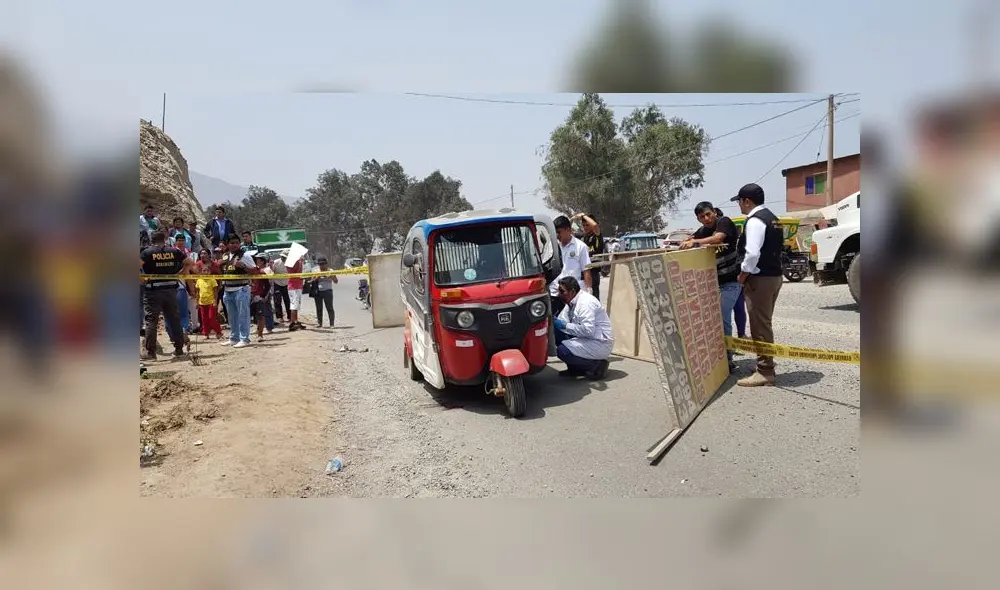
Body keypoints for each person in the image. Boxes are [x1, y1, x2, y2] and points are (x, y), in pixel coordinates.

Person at [731, 183, 784, 386]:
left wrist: (743, 275)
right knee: (765, 323)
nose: (739, 206)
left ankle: (765, 371)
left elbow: (752, 253)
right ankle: (765, 361)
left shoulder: (755, 221)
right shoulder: (773, 218)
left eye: (739, 201)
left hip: (760, 280)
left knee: (759, 326)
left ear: (747, 201)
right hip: (774, 277)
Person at [681, 203, 741, 372]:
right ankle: (718, 356)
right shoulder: (703, 231)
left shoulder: (724, 222)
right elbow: (691, 239)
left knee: (721, 319)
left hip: (730, 283)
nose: (706, 219)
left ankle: (728, 358)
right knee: (712, 320)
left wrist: (695, 241)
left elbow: (718, 239)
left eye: (708, 214)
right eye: (702, 217)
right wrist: (687, 241)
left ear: (714, 212)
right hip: (713, 284)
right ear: (698, 219)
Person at [141, 230, 195, 359]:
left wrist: (142, 279)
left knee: (151, 321)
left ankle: (151, 352)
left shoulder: (147, 252)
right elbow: (190, 262)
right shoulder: (174, 251)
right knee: (174, 319)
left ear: (151, 240)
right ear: (164, 239)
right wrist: (182, 272)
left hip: (153, 291)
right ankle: (179, 349)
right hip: (171, 289)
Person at [551, 276, 613, 379]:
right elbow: (563, 320)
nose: (559, 294)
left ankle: (596, 366)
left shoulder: (586, 303)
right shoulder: (571, 302)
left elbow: (588, 330)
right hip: (586, 338)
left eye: (562, 291)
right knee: (555, 332)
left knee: (563, 351)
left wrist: (565, 325)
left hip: (599, 342)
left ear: (572, 291)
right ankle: (575, 369)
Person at [548, 215, 592, 319]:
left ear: (568, 230)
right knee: (555, 326)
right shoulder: (552, 247)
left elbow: (586, 270)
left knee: (573, 326)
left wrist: (589, 291)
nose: (557, 235)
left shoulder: (580, 247)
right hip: (555, 294)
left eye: (559, 232)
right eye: (555, 233)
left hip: (572, 296)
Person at [219, 234, 257, 348]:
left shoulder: (244, 255)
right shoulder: (225, 256)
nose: (234, 245)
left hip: (241, 289)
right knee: (232, 316)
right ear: (227, 244)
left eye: (236, 242)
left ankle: (244, 339)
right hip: (228, 290)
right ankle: (234, 338)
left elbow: (255, 271)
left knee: (243, 315)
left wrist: (243, 266)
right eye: (231, 243)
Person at [572, 212, 605, 300]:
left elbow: (594, 226)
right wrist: (572, 219)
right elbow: (569, 232)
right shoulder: (583, 238)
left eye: (587, 225)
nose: (585, 227)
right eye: (584, 225)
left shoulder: (597, 236)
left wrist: (583, 216)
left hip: (593, 273)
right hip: (583, 273)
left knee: (594, 300)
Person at [250, 253, 274, 341]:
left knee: (262, 314)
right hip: (250, 296)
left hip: (259, 296)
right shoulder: (250, 272)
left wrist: (263, 295)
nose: (256, 262)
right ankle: (258, 330)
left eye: (257, 260)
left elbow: (268, 284)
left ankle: (261, 334)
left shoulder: (262, 271)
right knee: (255, 315)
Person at [195, 265, 223, 340]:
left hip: (211, 302)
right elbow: (197, 292)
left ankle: (218, 331)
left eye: (207, 271)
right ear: (201, 272)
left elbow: (215, 292)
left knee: (211, 318)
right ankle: (206, 333)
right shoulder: (199, 280)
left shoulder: (212, 280)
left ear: (210, 272)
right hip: (202, 303)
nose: (206, 272)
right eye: (204, 270)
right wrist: (197, 302)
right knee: (204, 319)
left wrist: (215, 301)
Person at [313, 256, 338, 327]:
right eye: (320, 264)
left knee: (329, 308)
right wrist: (316, 278)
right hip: (318, 291)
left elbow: (336, 281)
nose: (322, 266)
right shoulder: (315, 271)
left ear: (326, 264)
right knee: (319, 308)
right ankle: (319, 323)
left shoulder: (331, 270)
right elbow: (311, 281)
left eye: (323, 264)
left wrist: (331, 277)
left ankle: (332, 324)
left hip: (328, 291)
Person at [285, 250, 305, 331]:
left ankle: (295, 321)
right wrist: (299, 262)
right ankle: (293, 323)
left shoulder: (296, 261)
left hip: (296, 285)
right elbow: (298, 271)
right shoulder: (292, 262)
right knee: (294, 305)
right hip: (294, 286)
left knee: (296, 305)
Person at [270, 253, 290, 325]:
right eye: (282, 256)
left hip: (287, 283)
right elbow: (272, 271)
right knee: (277, 301)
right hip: (277, 283)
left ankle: (290, 316)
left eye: (284, 257)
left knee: (287, 300)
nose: (283, 258)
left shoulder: (290, 263)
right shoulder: (276, 262)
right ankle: (279, 317)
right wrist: (271, 266)